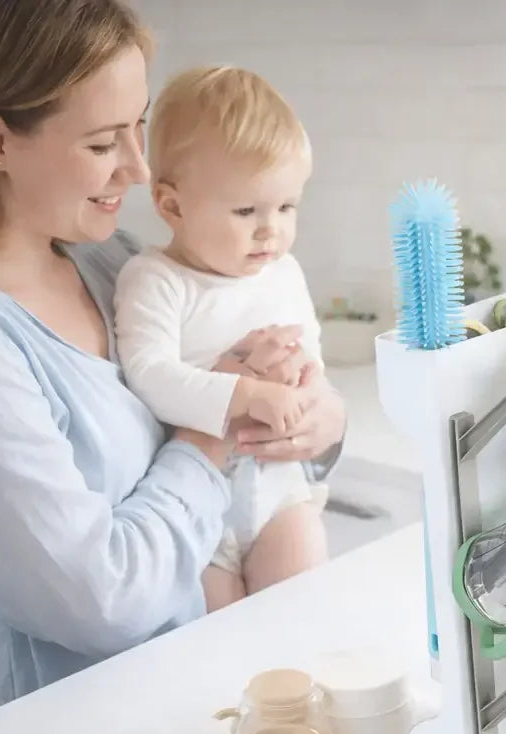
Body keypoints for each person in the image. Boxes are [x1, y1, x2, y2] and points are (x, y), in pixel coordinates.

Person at [0, 0, 347, 727]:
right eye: (103, 144)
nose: (138, 169)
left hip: (183, 724)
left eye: (140, 127)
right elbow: (99, 599)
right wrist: (215, 428)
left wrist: (320, 422)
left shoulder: (113, 263)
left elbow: (256, 431)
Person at [114, 66, 329, 613]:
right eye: (246, 210)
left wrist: (312, 399)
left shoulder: (283, 272)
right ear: (173, 206)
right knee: (221, 655)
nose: (271, 230)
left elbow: (313, 359)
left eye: (286, 207)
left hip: (281, 494)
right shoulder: (156, 279)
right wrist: (245, 396)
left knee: (300, 622)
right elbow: (149, 374)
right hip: (197, 509)